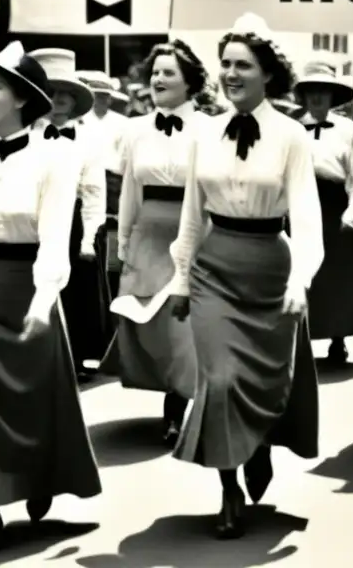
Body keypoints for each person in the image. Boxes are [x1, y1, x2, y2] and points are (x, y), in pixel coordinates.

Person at [0, 41, 100, 558]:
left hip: (31, 285)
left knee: (32, 400)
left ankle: (39, 475)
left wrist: (41, 303)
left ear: (23, 99)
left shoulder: (58, 157)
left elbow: (55, 238)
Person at [163, 14, 322, 540]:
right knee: (220, 379)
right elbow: (191, 214)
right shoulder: (203, 133)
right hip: (214, 270)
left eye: (242, 65)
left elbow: (306, 218)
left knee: (263, 381)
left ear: (268, 73)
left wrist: (300, 280)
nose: (230, 74)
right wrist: (182, 280)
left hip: (270, 270)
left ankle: (257, 443)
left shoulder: (293, 136)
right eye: (225, 64)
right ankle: (228, 487)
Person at [101, 40, 207, 445]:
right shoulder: (134, 130)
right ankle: (173, 390)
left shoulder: (208, 129)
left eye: (169, 73)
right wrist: (122, 240)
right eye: (156, 71)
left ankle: (177, 407)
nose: (158, 79)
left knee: (182, 325)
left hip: (193, 230)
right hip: (147, 232)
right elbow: (129, 189)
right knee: (148, 322)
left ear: (189, 82)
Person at [28, 48, 109, 382]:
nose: (58, 99)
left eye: (66, 94)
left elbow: (93, 190)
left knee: (72, 291)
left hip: (70, 220)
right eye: (51, 92)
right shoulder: (23, 134)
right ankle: (34, 353)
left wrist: (89, 236)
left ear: (76, 100)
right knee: (32, 284)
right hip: (30, 217)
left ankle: (72, 356)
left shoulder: (87, 140)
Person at [292, 60, 353, 365]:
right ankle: (299, 339)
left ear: (332, 97)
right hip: (299, 205)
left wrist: (351, 212)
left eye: (323, 92)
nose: (317, 98)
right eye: (311, 91)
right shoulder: (291, 128)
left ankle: (338, 338)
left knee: (336, 275)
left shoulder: (349, 131)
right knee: (300, 273)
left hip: (333, 207)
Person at [77, 70, 130, 302]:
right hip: (84, 182)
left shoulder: (122, 124)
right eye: (96, 95)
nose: (101, 99)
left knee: (113, 230)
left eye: (104, 95)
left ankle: (112, 274)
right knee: (87, 225)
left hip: (114, 182)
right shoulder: (79, 121)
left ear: (111, 98)